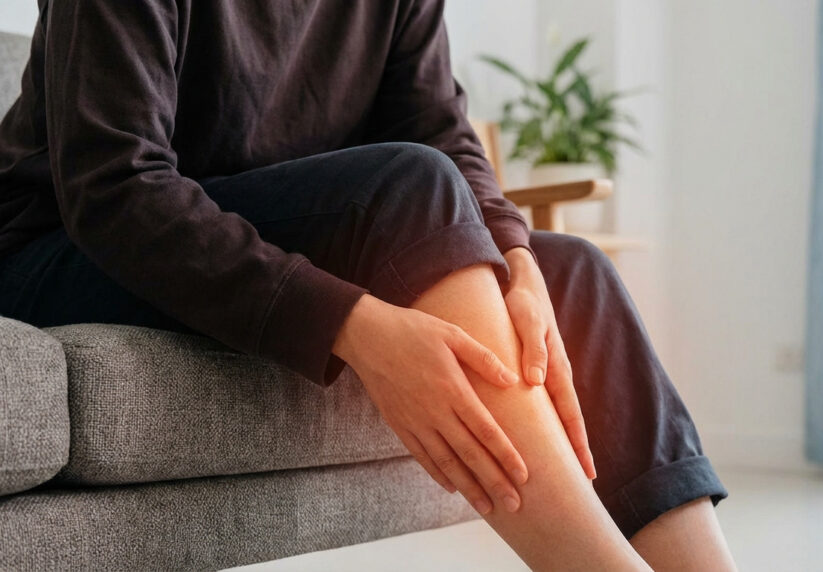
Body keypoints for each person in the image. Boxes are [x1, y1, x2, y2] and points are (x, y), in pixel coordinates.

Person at [0, 1, 735, 569]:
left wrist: (518, 260)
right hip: (63, 251)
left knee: (574, 273)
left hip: (259, 223)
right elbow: (114, 189)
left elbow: (442, 128)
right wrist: (353, 323)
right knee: (406, 183)